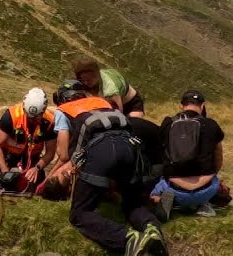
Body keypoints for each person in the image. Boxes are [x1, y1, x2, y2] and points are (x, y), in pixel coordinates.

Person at [53, 79, 166, 255]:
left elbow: (64, 155)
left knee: (79, 214)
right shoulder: (102, 102)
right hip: (128, 147)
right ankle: (151, 228)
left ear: (61, 98)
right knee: (131, 202)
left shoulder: (63, 110)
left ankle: (128, 239)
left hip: (101, 150)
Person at [151, 89, 225, 219]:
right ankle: (202, 203)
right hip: (206, 190)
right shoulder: (211, 124)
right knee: (214, 181)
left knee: (155, 192)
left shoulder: (168, 123)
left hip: (175, 189)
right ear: (203, 106)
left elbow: (160, 151)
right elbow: (218, 155)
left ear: (181, 105)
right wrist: (212, 173)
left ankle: (170, 201)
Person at [0, 87, 64, 192]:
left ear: (43, 111)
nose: (32, 120)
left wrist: (36, 168)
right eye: (29, 117)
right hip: (8, 155)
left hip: (32, 159)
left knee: (33, 184)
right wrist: (5, 172)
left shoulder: (50, 122)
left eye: (36, 117)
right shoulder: (11, 116)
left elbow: (50, 153)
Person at [71, 56, 146, 117]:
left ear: (97, 75)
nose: (86, 83)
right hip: (108, 103)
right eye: (83, 80)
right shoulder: (83, 81)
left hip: (131, 105)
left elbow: (118, 114)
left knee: (131, 126)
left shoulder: (110, 88)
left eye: (88, 80)